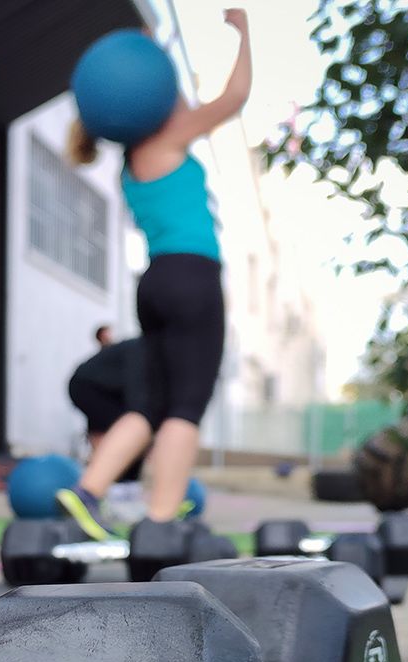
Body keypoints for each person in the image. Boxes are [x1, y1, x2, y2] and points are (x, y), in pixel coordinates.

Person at [57, 9, 251, 540]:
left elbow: (160, 99)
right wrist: (244, 35)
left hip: (155, 284)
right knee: (186, 407)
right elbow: (233, 98)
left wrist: (152, 53)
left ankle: (87, 491)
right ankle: (160, 522)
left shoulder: (130, 161)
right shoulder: (171, 139)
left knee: (153, 406)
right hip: (193, 279)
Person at [66, 325, 147, 483]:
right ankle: (111, 483)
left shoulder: (138, 349)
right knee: (132, 431)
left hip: (93, 386)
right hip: (89, 387)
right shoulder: (143, 352)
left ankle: (104, 481)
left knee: (122, 432)